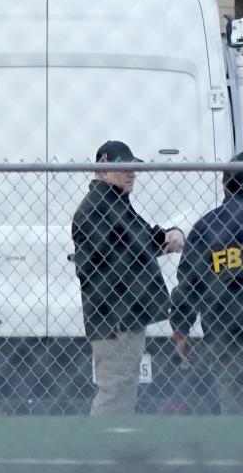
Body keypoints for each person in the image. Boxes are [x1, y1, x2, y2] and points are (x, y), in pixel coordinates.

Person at [170, 152, 243, 415]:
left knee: (232, 409)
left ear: (226, 186)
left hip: (223, 335)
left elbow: (189, 283)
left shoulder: (206, 227)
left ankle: (237, 451)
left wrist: (181, 328)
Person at [72, 140, 184, 416]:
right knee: (115, 392)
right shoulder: (98, 207)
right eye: (125, 167)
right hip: (114, 318)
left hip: (125, 315)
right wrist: (162, 239)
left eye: (133, 167)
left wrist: (164, 237)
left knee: (124, 390)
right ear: (103, 169)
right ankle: (103, 453)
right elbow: (129, 247)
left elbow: (138, 239)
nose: (132, 173)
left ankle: (115, 450)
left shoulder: (115, 202)